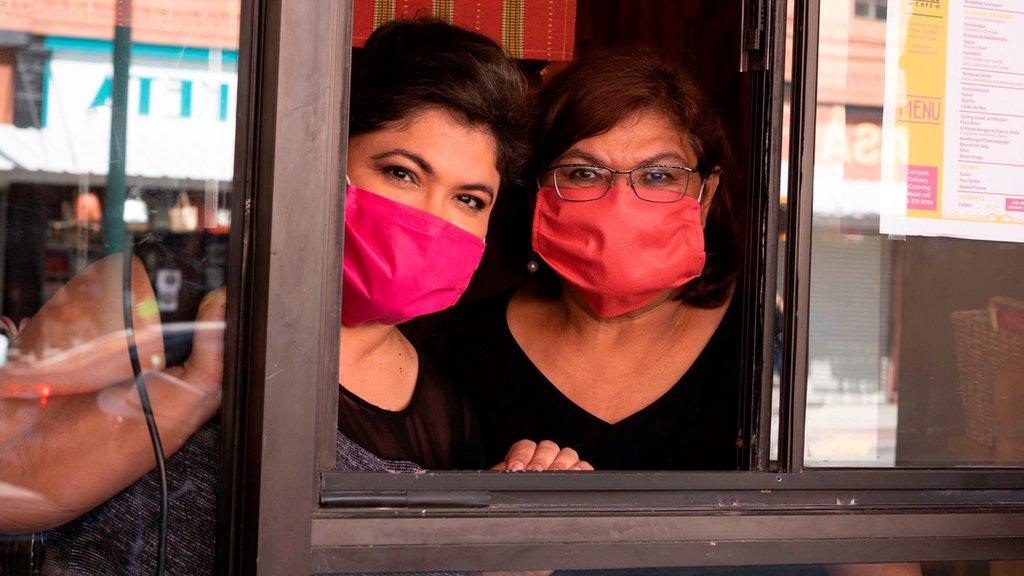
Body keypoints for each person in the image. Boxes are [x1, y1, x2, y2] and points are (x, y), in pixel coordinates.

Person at [0, 19, 589, 574]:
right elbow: (8, 487)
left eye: (469, 200)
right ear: (324, 159)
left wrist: (501, 540)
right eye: (402, 173)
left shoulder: (445, 410)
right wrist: (196, 383)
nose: (431, 218)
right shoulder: (159, 290)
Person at [432, 47, 743, 471]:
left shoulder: (763, 345)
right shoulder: (455, 348)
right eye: (582, 172)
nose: (620, 206)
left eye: (658, 175)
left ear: (705, 194)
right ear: (535, 192)